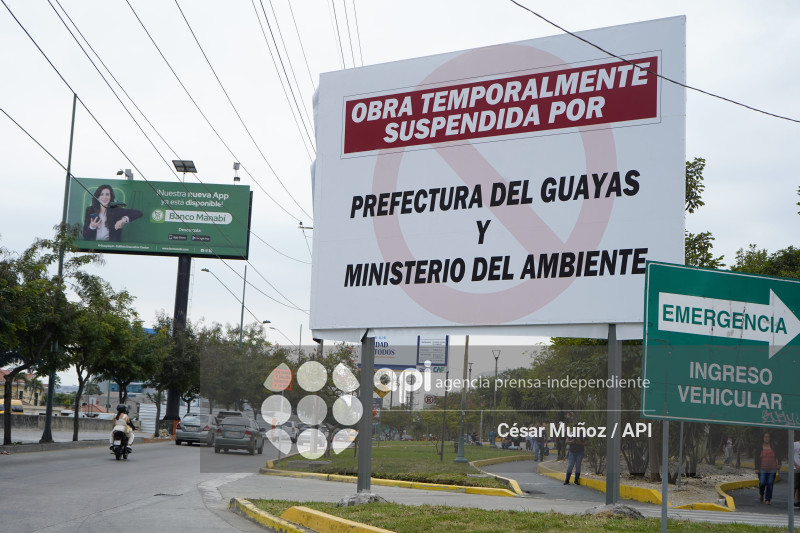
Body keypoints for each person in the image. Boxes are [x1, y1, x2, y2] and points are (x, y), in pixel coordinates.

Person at [754, 432, 779, 505]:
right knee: (762, 483)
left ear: (770, 438)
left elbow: (778, 455)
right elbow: (756, 458)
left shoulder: (773, 446)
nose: (766, 438)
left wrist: (779, 463)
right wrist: (756, 468)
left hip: (772, 468)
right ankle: (761, 494)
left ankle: (768, 499)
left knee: (770, 483)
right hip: (762, 469)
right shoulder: (759, 447)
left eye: (768, 437)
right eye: (765, 437)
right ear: (763, 438)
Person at [794, 434, 800, 508]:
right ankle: (791, 501)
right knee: (794, 486)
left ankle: (798, 502)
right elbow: (790, 455)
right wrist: (795, 465)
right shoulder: (795, 444)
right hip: (795, 468)